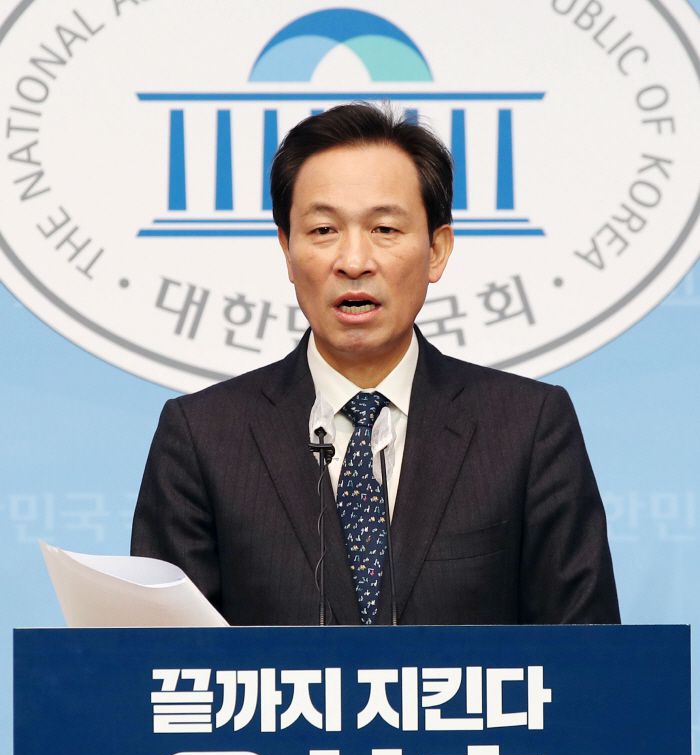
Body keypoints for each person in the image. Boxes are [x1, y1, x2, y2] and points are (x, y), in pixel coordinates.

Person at [132, 103, 619, 627]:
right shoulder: (203, 437)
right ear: (287, 250)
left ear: (437, 250)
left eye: (385, 229)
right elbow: (159, 660)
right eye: (323, 230)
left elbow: (589, 656)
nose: (354, 261)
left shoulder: (527, 427)